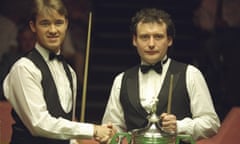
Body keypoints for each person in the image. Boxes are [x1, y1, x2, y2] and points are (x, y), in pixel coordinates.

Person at [3, 0, 113, 144]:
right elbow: (39, 124)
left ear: (66, 24)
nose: (53, 30)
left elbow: (66, 130)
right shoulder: (24, 68)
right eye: (45, 23)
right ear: (33, 26)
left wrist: (93, 137)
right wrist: (93, 130)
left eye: (58, 23)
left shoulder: (70, 72)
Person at [102, 8, 220, 142]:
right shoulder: (121, 80)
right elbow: (114, 128)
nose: (151, 44)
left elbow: (211, 123)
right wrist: (111, 132)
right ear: (134, 40)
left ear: (169, 40)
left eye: (158, 37)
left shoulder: (190, 74)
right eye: (144, 37)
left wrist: (180, 126)